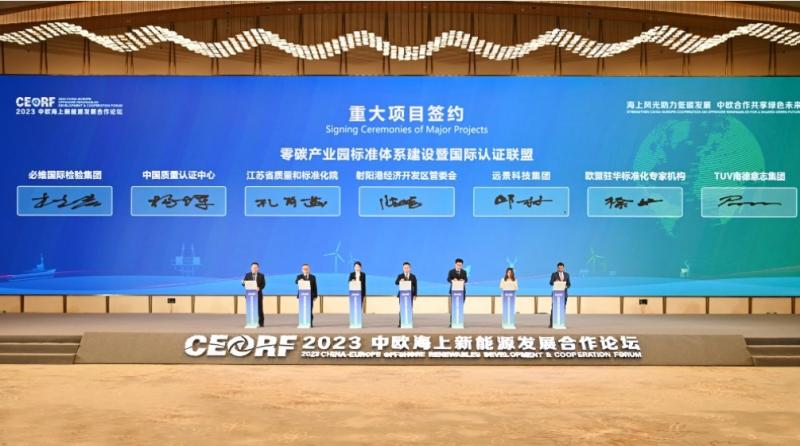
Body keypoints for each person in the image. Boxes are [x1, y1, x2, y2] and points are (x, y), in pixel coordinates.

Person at [242, 262, 266, 327]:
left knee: (259, 309)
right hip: (249, 295)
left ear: (258, 268)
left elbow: (263, 284)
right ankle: (250, 322)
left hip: (258, 294)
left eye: (256, 267)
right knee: (250, 308)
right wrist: (243, 283)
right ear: (251, 268)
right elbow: (244, 284)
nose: (254, 269)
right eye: (253, 267)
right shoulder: (247, 275)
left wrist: (259, 288)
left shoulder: (261, 275)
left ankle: (261, 323)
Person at [394, 262, 417, 327]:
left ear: (410, 268)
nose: (406, 269)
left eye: (407, 267)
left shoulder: (413, 276)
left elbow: (415, 286)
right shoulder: (400, 276)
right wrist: (399, 281)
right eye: (405, 268)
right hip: (402, 295)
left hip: (410, 295)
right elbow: (396, 283)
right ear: (403, 268)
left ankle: (409, 322)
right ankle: (401, 323)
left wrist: (415, 295)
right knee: (402, 309)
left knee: (410, 308)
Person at [548, 262, 571, 328]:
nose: (560, 269)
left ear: (563, 268)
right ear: (557, 268)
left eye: (561, 268)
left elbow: (569, 284)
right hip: (556, 294)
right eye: (559, 268)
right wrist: (555, 282)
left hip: (564, 294)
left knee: (563, 308)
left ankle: (561, 322)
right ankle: (552, 323)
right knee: (554, 309)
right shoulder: (554, 274)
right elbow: (550, 282)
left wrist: (566, 286)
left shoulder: (567, 274)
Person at [447, 258, 468, 327]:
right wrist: (453, 280)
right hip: (453, 292)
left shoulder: (464, 272)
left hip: (462, 292)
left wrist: (463, 280)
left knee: (460, 307)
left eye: (460, 265)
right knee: (453, 307)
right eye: (458, 265)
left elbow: (466, 279)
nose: (459, 266)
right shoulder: (451, 271)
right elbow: (448, 279)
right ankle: (452, 322)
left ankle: (460, 322)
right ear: (455, 264)